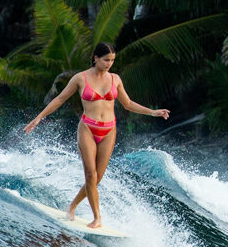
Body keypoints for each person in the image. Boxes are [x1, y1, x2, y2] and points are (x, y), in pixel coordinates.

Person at [24, 42, 170, 229]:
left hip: (109, 131)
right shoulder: (80, 78)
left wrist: (152, 112)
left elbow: (128, 104)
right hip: (87, 129)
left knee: (97, 179)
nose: (109, 63)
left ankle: (73, 205)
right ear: (96, 58)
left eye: (112, 60)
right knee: (90, 175)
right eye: (106, 59)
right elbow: (60, 99)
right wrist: (38, 118)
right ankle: (97, 218)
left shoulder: (115, 79)